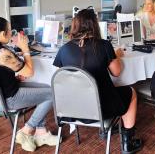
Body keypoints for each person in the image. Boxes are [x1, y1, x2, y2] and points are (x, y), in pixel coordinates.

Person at [53, 9, 142, 154]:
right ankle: (127, 142)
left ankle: (108, 129)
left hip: (70, 108)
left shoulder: (64, 49)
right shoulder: (103, 45)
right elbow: (117, 72)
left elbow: (62, 79)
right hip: (101, 108)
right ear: (94, 25)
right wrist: (116, 55)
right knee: (131, 92)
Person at [0, 15, 58, 152]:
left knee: (46, 89)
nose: (12, 34)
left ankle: (41, 132)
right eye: (10, 31)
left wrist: (11, 76)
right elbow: (29, 72)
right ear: (1, 34)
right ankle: (27, 130)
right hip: (8, 98)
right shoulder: (2, 53)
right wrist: (25, 49)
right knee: (52, 94)